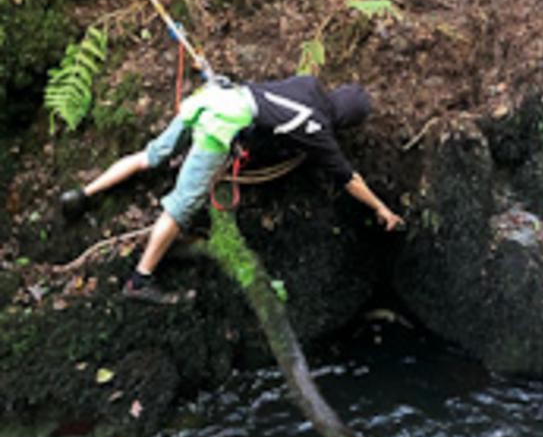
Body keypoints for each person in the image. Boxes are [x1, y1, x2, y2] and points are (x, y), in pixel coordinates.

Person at [60, 74, 404, 303]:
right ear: (346, 120)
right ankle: (140, 279)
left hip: (213, 98)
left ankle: (83, 194)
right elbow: (349, 178)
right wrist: (381, 209)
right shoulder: (318, 130)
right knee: (182, 207)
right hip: (218, 129)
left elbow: (267, 105)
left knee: (153, 155)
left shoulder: (308, 84)